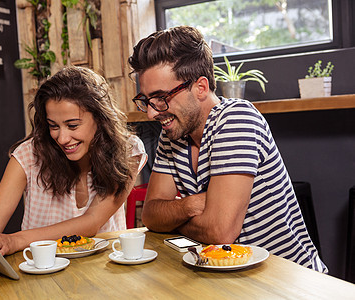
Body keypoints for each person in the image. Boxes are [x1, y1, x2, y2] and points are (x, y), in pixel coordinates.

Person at [128, 25, 327, 272]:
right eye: (146, 100)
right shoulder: (174, 133)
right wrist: (190, 206)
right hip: (227, 282)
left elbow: (219, 231)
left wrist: (176, 219)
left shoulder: (236, 119)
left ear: (200, 87)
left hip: (286, 283)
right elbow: (151, 216)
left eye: (161, 98)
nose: (151, 112)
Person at [0, 66, 147, 275]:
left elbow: (92, 222)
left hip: (105, 275)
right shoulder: (28, 155)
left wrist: (15, 240)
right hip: (42, 276)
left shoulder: (128, 151)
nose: (62, 138)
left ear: (100, 119)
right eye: (53, 126)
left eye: (73, 125)